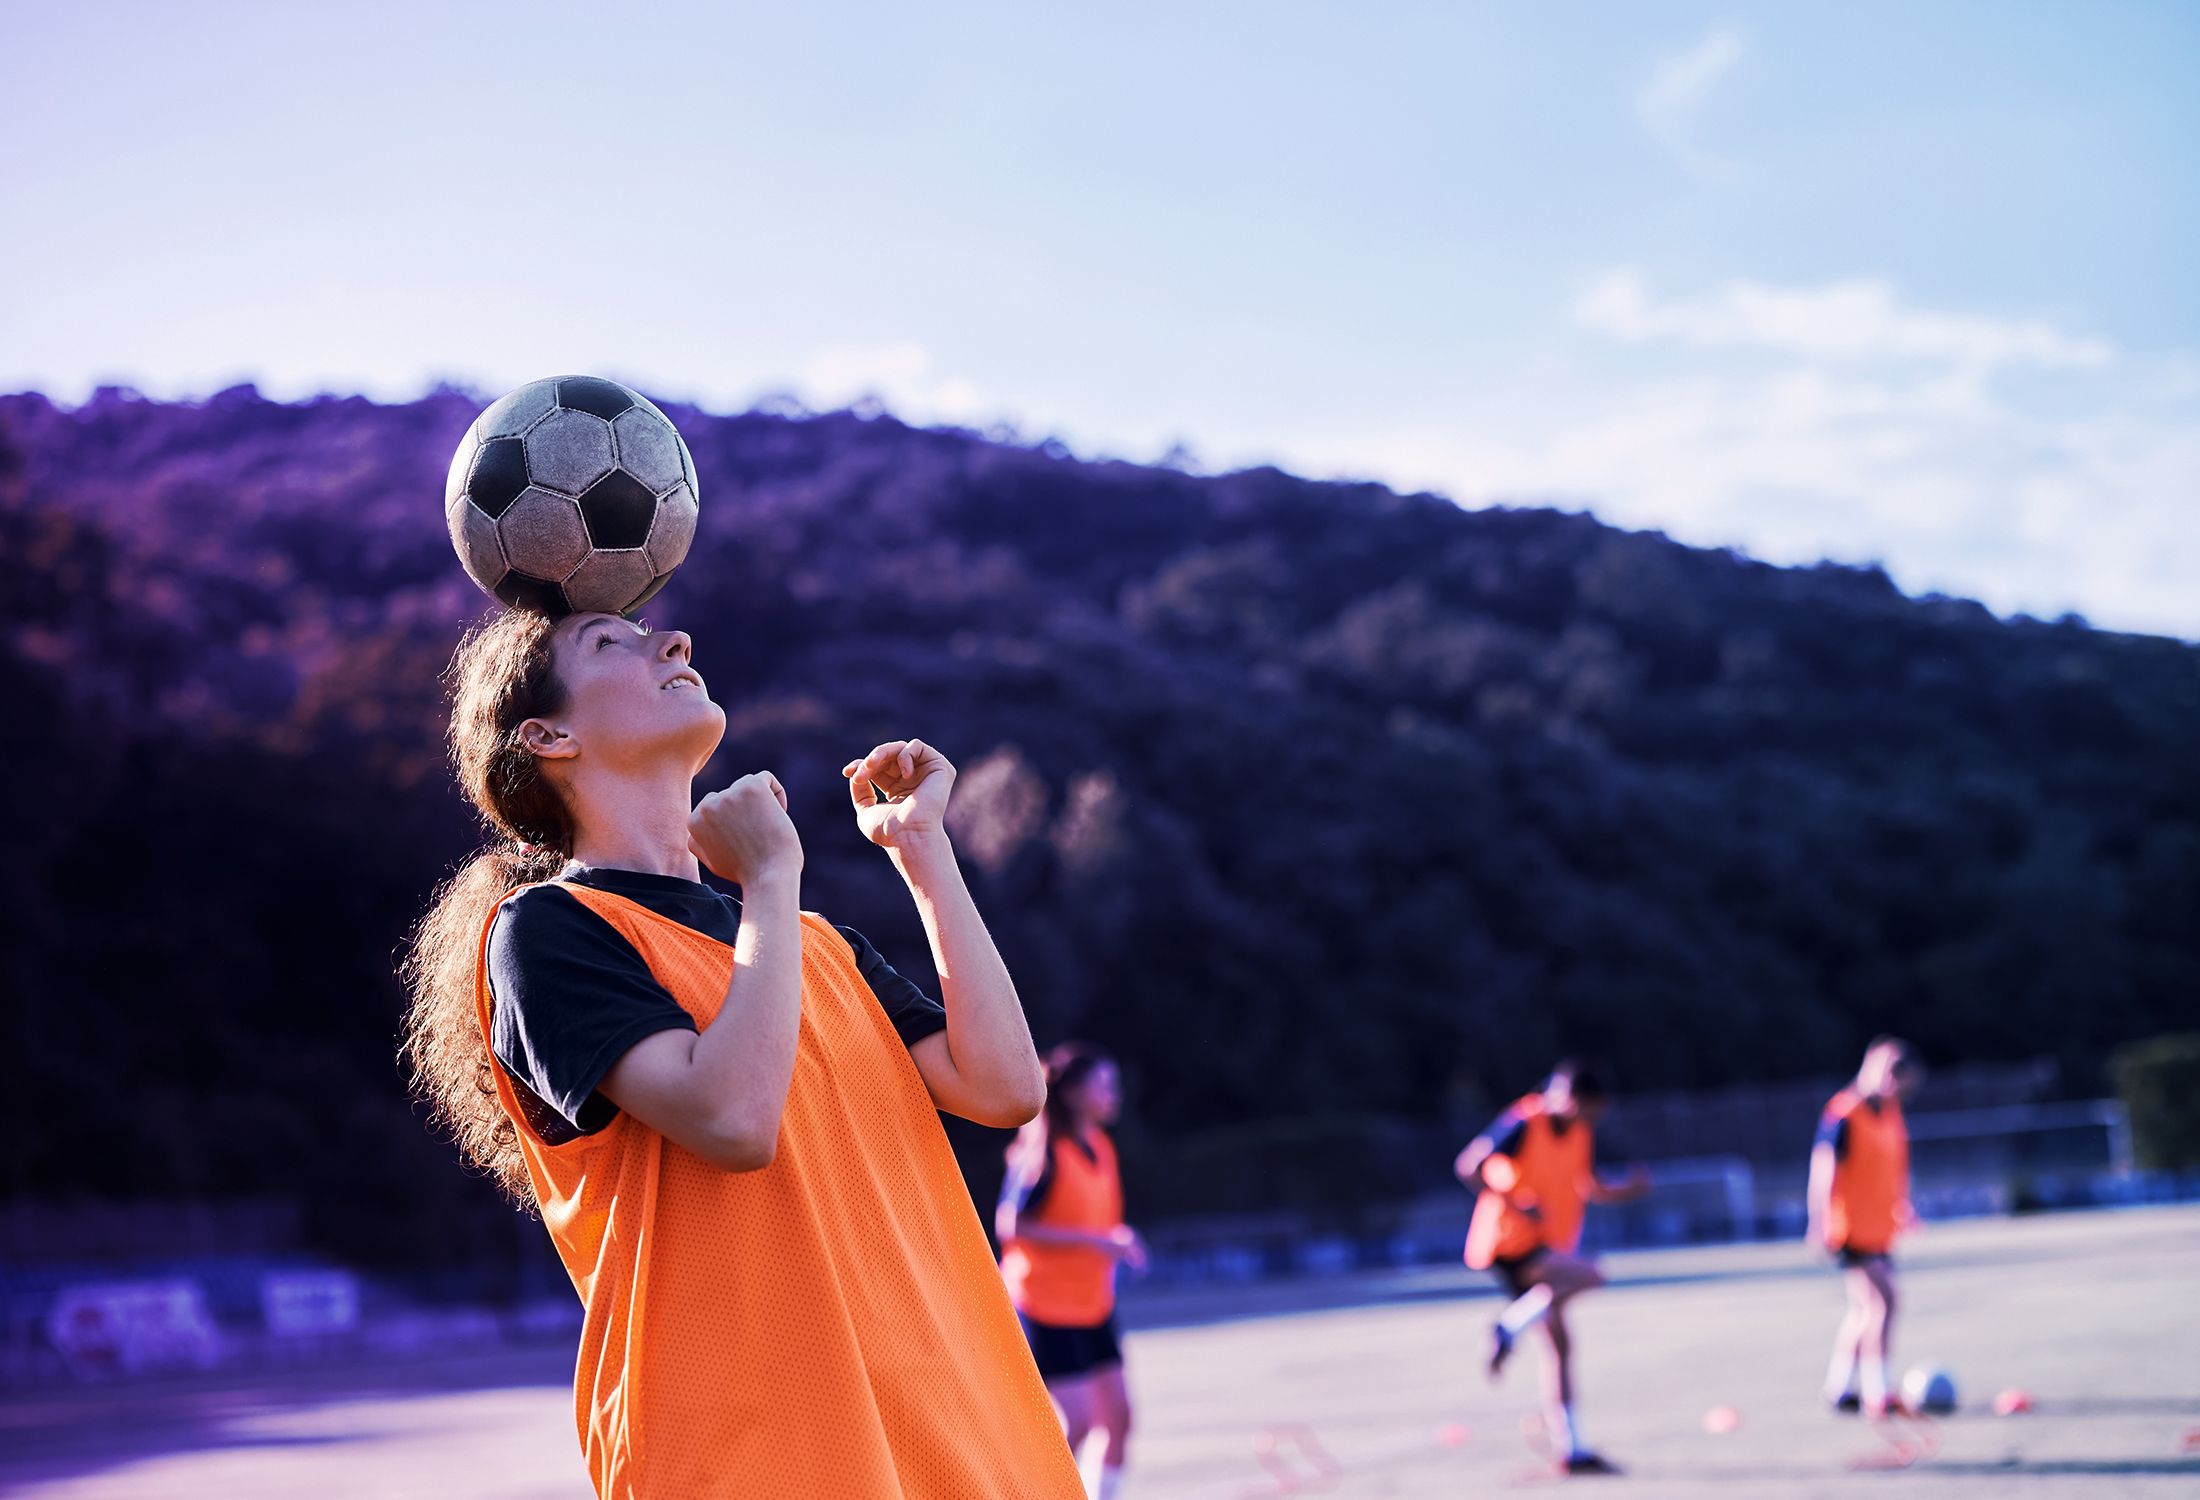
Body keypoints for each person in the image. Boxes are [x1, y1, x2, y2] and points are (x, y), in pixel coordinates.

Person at [400, 607, 1084, 1500]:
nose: (673, 643)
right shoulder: (547, 932)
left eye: (657, 632)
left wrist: (923, 851)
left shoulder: (809, 941)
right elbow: (732, 1120)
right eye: (611, 643)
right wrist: (765, 876)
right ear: (548, 736)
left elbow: (1006, 1088)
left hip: (941, 1435)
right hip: (751, 1455)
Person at [1455, 1061, 1649, 1476]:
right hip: (1511, 1242)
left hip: (1547, 1245)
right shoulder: (1525, 1121)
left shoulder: (1580, 1134)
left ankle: (1573, 1450)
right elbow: (1469, 1165)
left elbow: (1590, 1188)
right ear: (1569, 1098)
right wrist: (1515, 1204)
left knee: (1559, 1346)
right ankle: (1509, 1324)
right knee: (1592, 1274)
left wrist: (1627, 1191)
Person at [997, 1044, 1144, 1500]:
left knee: (1119, 1417)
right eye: (1104, 1085)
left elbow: (1091, 1219)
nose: (1114, 1094)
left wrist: (1118, 1238)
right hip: (1045, 1306)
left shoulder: (1101, 1147)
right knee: (1076, 1423)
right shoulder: (1042, 1154)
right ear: (1075, 1093)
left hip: (1092, 1304)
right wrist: (1096, 1242)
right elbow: (1011, 1225)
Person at [1808, 1036, 1923, 1420]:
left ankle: (1839, 1388)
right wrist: (1819, 1221)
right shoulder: (1844, 1112)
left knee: (1863, 1310)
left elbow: (1891, 1166)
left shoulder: (1890, 1112)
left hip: (1879, 1227)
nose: (1892, 1084)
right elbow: (1823, 1169)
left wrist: (1903, 1206)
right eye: (1888, 1073)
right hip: (1850, 1227)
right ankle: (1879, 1389)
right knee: (1885, 1301)